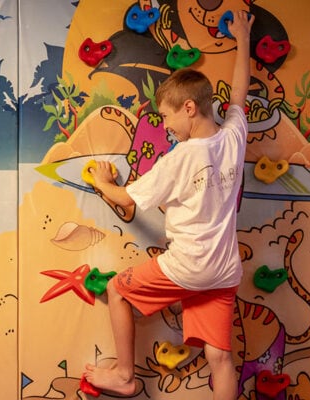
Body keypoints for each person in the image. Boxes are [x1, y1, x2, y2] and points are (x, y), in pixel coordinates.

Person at [83, 10, 254, 400]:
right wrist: (243, 40)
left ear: (189, 108)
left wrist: (101, 181)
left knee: (117, 290)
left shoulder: (179, 158)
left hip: (189, 267)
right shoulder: (233, 138)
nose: (165, 126)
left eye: (166, 116)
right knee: (220, 357)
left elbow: (127, 198)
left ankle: (125, 374)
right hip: (224, 270)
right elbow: (240, 93)